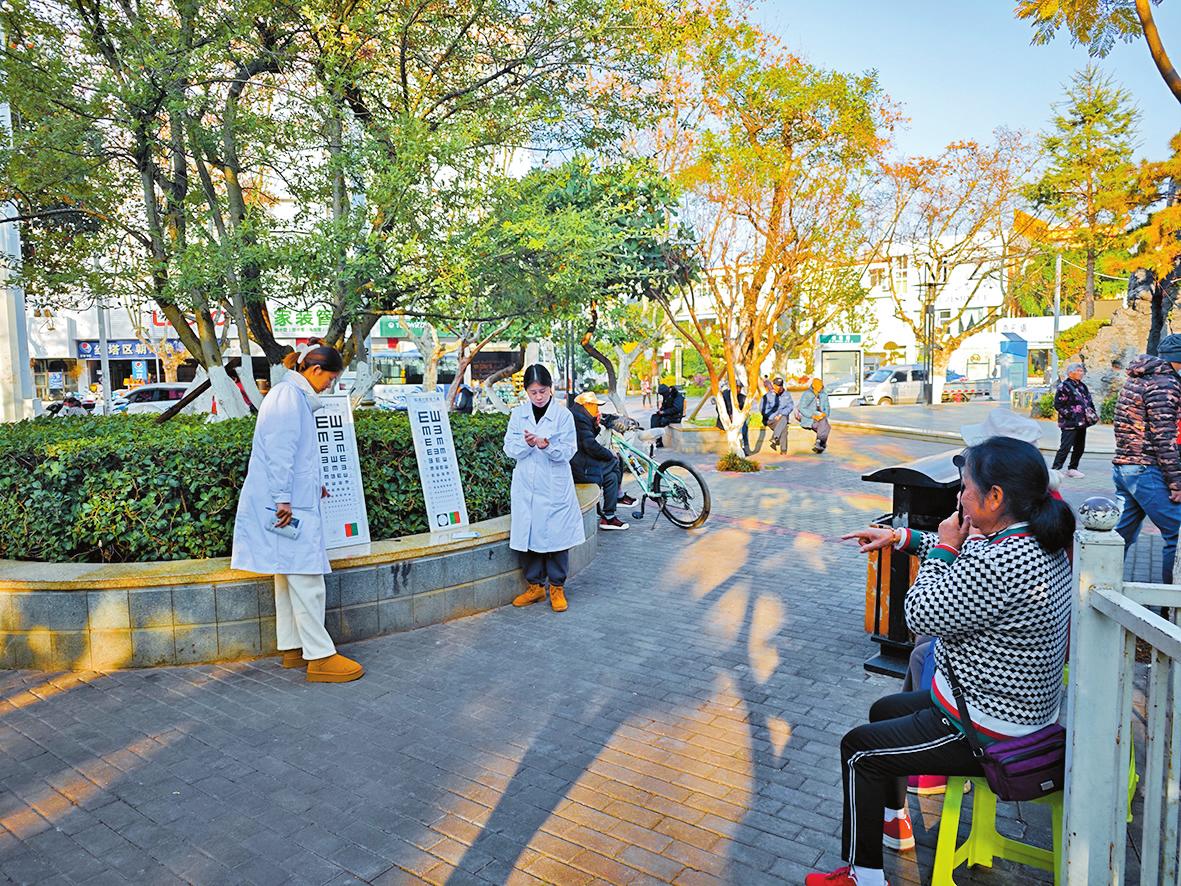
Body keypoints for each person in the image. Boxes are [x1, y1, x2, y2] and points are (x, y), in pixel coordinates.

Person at [806, 438, 1074, 886]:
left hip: (986, 727)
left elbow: (920, 613)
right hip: (1001, 707)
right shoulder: (1032, 538)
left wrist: (944, 550)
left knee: (859, 751)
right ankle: (892, 823)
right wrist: (899, 537)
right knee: (884, 711)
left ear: (995, 497)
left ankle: (863, 876)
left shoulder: (1002, 560)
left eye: (965, 487)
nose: (959, 497)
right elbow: (961, 552)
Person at [231, 344, 364, 683]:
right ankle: (320, 657)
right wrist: (283, 499)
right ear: (316, 370)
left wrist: (311, 487)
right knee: (307, 579)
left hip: (289, 502)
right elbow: (280, 452)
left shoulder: (291, 396)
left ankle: (293, 648)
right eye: (330, 379)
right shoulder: (288, 397)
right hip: (286, 506)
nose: (330, 386)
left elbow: (295, 455)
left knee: (288, 574)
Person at [504, 364, 586, 612]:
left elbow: (569, 451)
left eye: (542, 391)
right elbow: (509, 448)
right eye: (533, 392)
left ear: (550, 389)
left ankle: (557, 587)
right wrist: (528, 444)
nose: (538, 397)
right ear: (526, 392)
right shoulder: (518, 415)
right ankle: (535, 587)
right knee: (528, 535)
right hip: (526, 486)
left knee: (557, 537)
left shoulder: (563, 416)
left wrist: (547, 446)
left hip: (554, 486)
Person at [1113, 335, 1181, 585]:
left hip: (1126, 466)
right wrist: (1176, 483)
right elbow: (1164, 438)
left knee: (1117, 537)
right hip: (1145, 468)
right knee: (1177, 533)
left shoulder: (1140, 376)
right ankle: (1171, 601)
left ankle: (1096, 587)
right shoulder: (1165, 384)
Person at [570, 392, 635, 531]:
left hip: (583, 461)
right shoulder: (578, 419)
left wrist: (596, 425)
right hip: (579, 467)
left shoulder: (581, 415)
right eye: (595, 406)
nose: (597, 409)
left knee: (611, 477)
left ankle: (608, 517)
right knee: (614, 462)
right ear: (587, 405)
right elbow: (590, 445)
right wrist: (609, 454)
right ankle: (617, 500)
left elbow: (587, 440)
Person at [1051, 362, 1097, 479]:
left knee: (1079, 447)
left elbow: (1089, 401)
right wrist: (1071, 415)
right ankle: (1055, 469)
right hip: (1069, 423)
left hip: (1082, 422)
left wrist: (1093, 412)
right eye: (1078, 371)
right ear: (1070, 373)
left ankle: (1073, 469)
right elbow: (1058, 404)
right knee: (1065, 447)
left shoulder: (1082, 386)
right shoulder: (1064, 386)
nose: (1081, 373)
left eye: (1082, 371)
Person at [759, 376, 794, 453]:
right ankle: (782, 449)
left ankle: (777, 441)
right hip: (771, 420)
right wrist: (774, 416)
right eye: (777, 385)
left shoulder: (787, 395)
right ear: (773, 385)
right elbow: (763, 410)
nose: (779, 387)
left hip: (782, 418)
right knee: (783, 426)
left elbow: (790, 406)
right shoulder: (767, 396)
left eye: (781, 385)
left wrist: (781, 414)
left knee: (783, 422)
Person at [796, 378, 831, 454]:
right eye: (818, 385)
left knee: (824, 422)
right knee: (826, 427)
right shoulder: (807, 394)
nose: (820, 387)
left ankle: (819, 443)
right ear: (813, 385)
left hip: (820, 418)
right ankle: (821, 443)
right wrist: (813, 416)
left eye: (821, 385)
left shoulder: (824, 395)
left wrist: (825, 413)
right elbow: (801, 408)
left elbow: (827, 407)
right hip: (809, 418)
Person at [716, 382, 750, 455]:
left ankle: (743, 447)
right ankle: (738, 449)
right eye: (737, 387)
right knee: (737, 430)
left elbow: (745, 411)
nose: (738, 390)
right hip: (726, 420)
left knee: (743, 427)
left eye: (740, 388)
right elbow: (719, 408)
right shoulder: (725, 395)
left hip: (738, 420)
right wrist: (728, 416)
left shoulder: (742, 397)